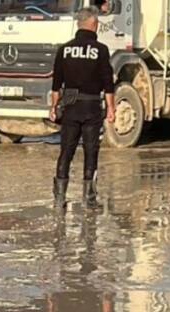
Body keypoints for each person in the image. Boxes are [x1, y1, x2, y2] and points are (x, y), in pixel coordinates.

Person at [50, 6, 116, 209]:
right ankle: (89, 198)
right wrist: (112, 109)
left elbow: (56, 84)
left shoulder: (65, 49)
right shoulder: (101, 50)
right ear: (94, 25)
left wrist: (53, 107)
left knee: (66, 151)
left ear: (79, 24)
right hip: (91, 106)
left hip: (70, 105)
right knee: (90, 151)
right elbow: (108, 84)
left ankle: (60, 197)